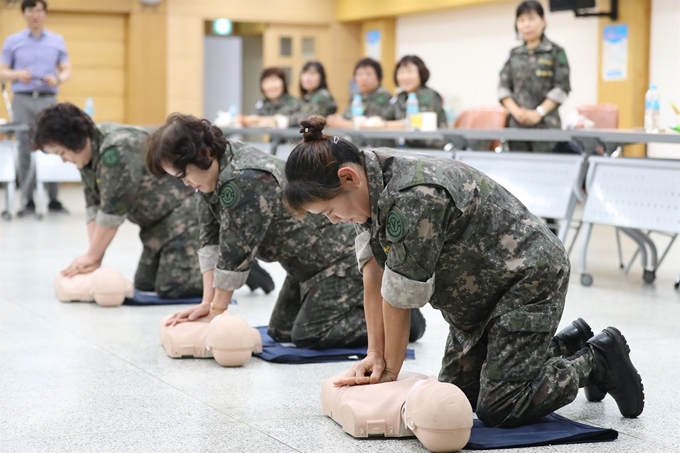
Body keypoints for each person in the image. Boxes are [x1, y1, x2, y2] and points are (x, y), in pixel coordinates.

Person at [282, 116, 645, 428]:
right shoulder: (367, 185)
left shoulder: (413, 195)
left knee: (500, 407)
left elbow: (400, 296)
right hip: (480, 296)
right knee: (457, 395)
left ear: (348, 178)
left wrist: (390, 373)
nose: (332, 220)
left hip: (527, 279)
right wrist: (373, 353)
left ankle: (597, 360)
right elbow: (373, 275)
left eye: (329, 211)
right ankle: (566, 344)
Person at [146, 114, 427, 349]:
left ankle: (407, 325)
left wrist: (215, 317)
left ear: (204, 154)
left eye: (184, 175)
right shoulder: (210, 178)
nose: (185, 184)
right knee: (281, 331)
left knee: (310, 334)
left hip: (338, 262)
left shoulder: (245, 178)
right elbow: (210, 244)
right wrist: (207, 304)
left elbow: (235, 254)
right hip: (303, 267)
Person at [32, 103, 274, 298]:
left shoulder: (115, 149)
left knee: (171, 288)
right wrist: (92, 257)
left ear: (75, 140)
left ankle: (235, 269)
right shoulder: (86, 156)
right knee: (145, 284)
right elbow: (94, 209)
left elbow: (112, 213)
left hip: (184, 217)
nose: (64, 160)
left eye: (62, 153)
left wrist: (92, 257)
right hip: (156, 228)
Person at [0, 0, 70, 216]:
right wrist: (17, 74)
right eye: (31, 10)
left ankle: (53, 199)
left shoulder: (57, 41)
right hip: (23, 98)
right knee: (24, 148)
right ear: (24, 13)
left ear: (45, 13)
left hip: (48, 98)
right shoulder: (13, 41)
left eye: (39, 10)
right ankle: (27, 201)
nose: (35, 15)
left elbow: (67, 71)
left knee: (54, 143)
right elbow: (2, 71)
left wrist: (57, 78)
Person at [499, 0, 571, 152]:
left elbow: (562, 87)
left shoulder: (555, 51)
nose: (526, 25)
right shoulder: (514, 54)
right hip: (516, 127)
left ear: (543, 21)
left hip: (546, 126)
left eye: (531, 19)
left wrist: (538, 113)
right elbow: (503, 87)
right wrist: (516, 112)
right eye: (521, 20)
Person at [326, 58, 392, 129]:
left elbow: (372, 123)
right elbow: (347, 115)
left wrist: (343, 123)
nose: (363, 78)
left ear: (378, 77)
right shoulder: (356, 96)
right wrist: (335, 119)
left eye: (368, 74)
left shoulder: (383, 95)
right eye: (359, 74)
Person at [291, 61, 337, 125]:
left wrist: (287, 120)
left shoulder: (322, 96)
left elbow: (310, 119)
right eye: (305, 73)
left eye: (312, 74)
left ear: (321, 77)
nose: (307, 78)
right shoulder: (305, 97)